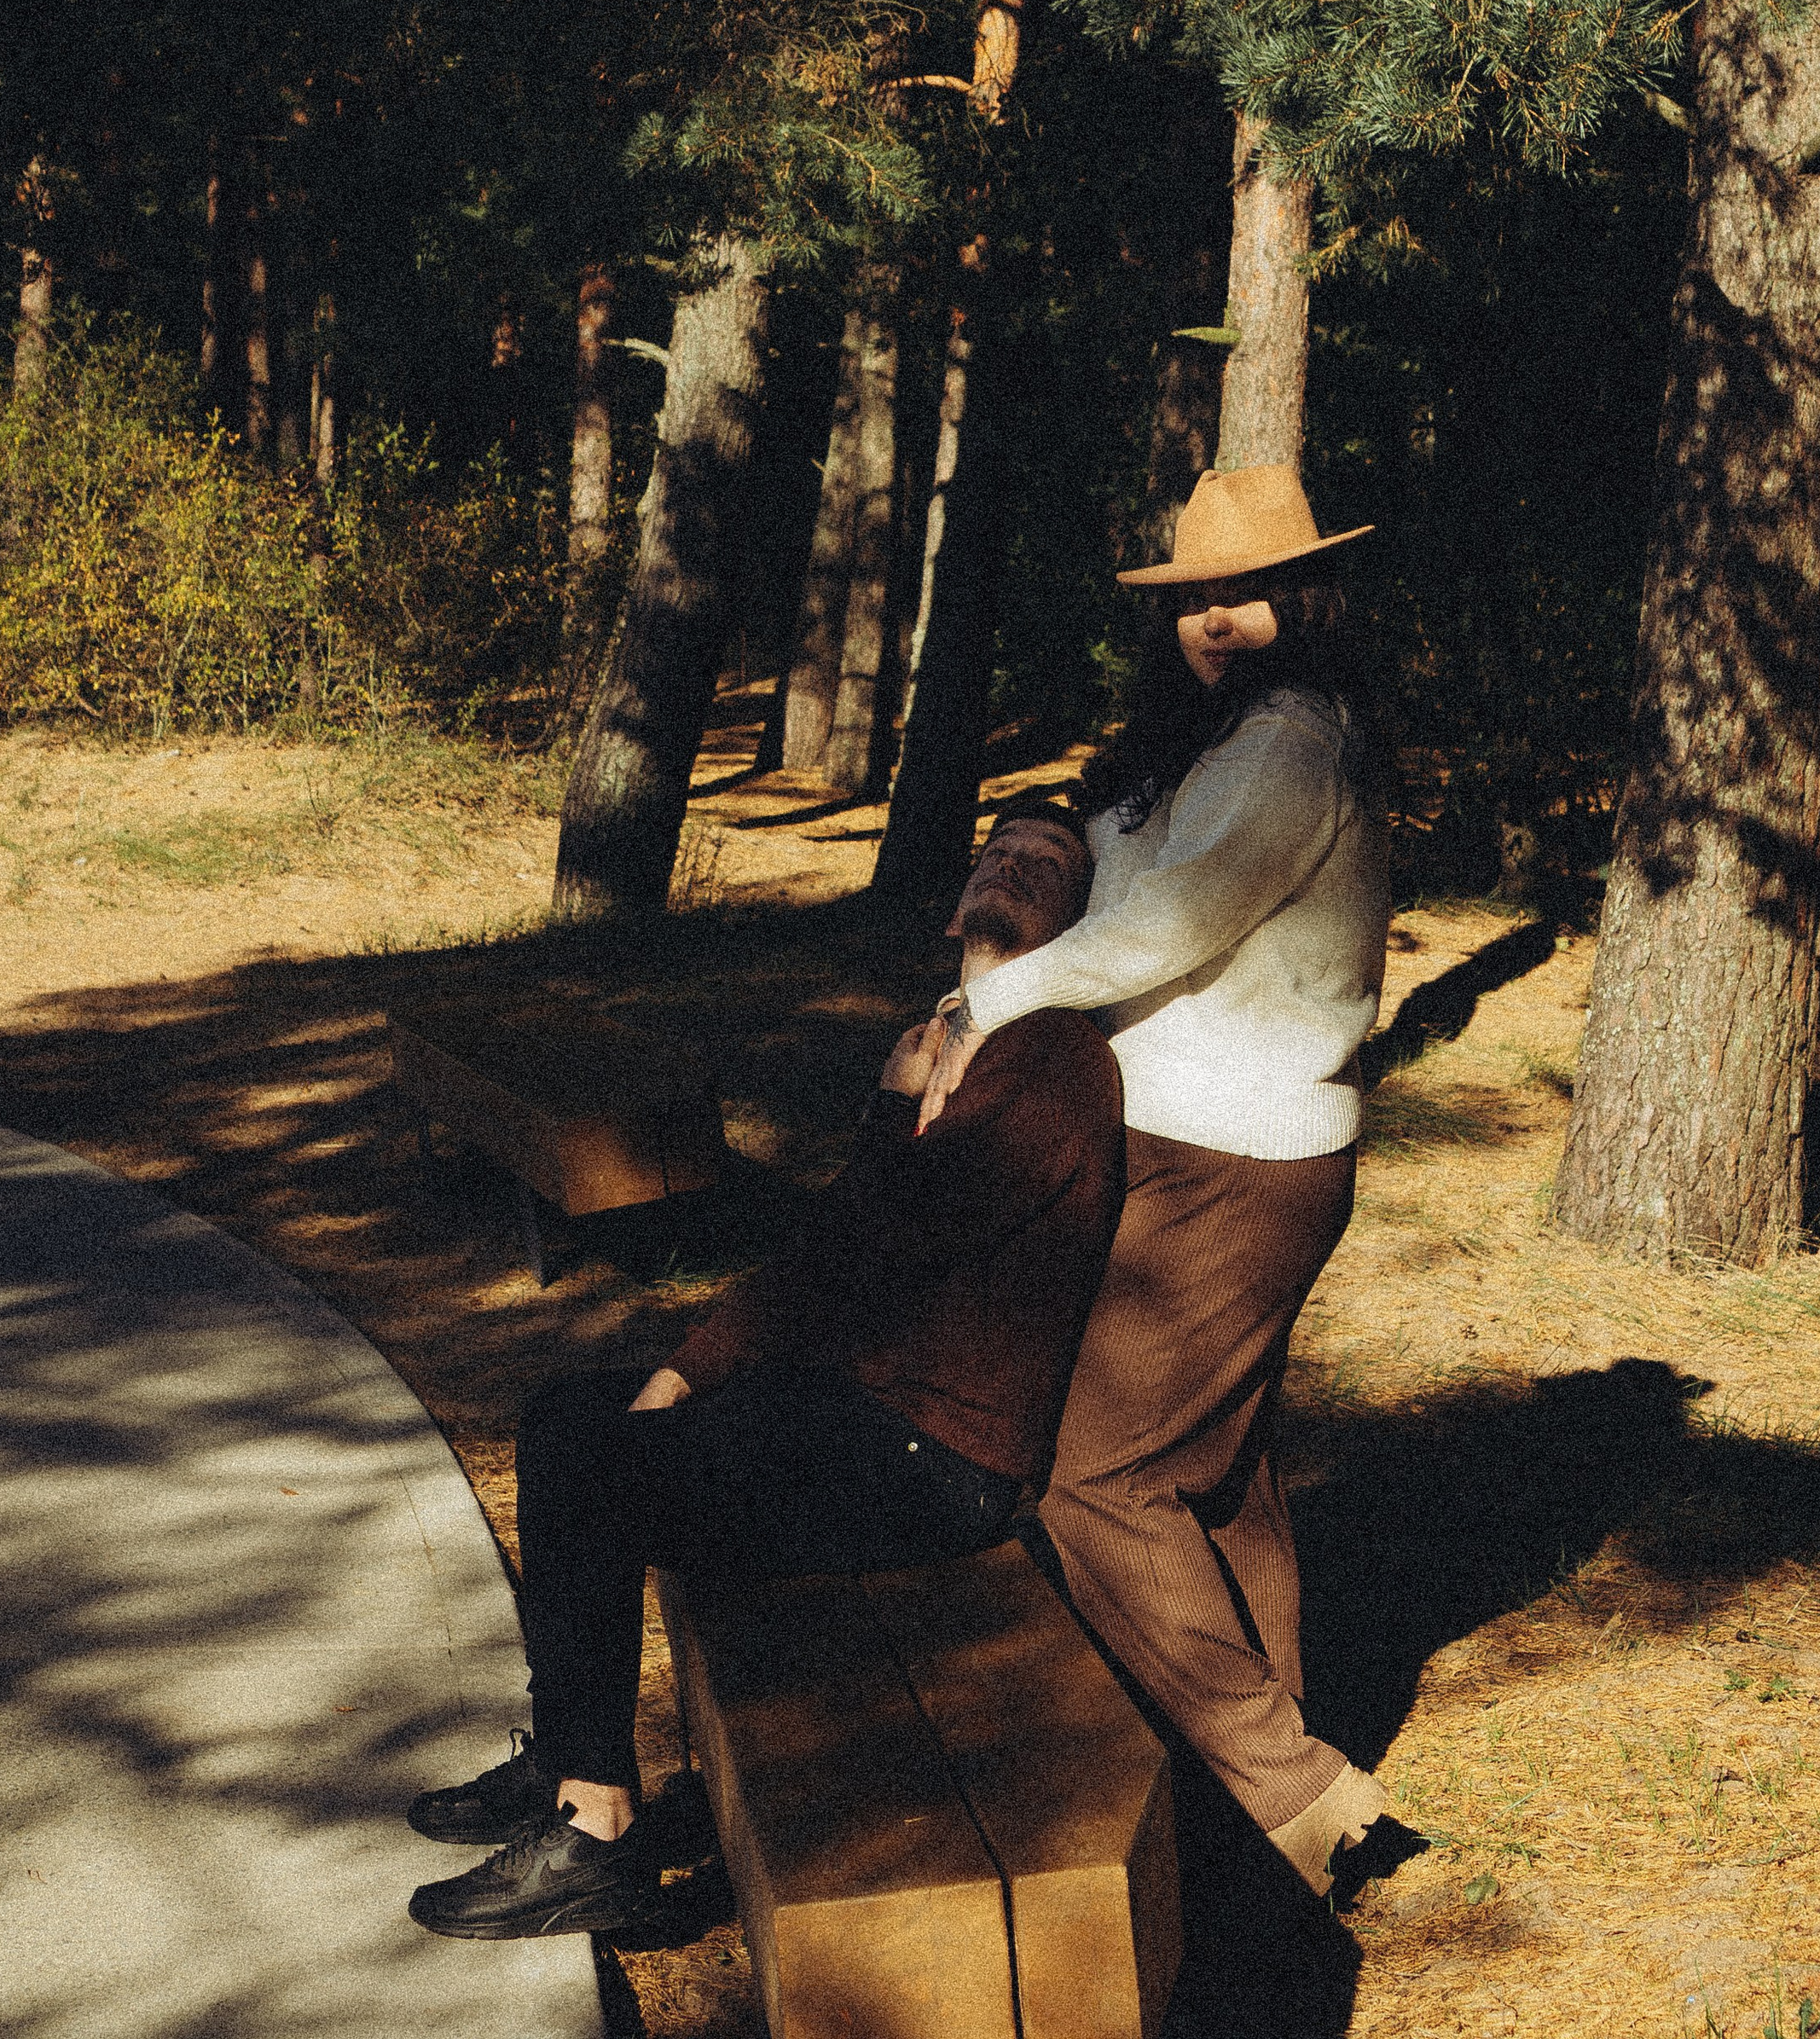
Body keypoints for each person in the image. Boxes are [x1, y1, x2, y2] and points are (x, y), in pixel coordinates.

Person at [405, 796, 1116, 1943]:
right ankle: (567, 1764)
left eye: (1053, 865)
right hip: (857, 1415)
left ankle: (594, 1833)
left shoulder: (1054, 1060)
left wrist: (891, 1121)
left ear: (1079, 923)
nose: (1021, 867)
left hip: (939, 1462)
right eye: (1004, 847)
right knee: (567, 1413)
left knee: (598, 1464)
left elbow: (890, 1245)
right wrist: (686, 1374)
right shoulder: (956, 1033)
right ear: (959, 894)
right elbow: (833, 1257)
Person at [919, 462, 1392, 1900]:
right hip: (1197, 1145)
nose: (1216, 621)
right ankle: (1254, 1793)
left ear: (1302, 602)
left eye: (1244, 596)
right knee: (1214, 1475)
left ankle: (1297, 1794)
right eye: (1194, 599)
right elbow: (1125, 873)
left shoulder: (1290, 745)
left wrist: (978, 1015)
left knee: (1096, 1476)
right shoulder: (1217, 741)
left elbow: (1173, 924)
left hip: (1238, 1160)